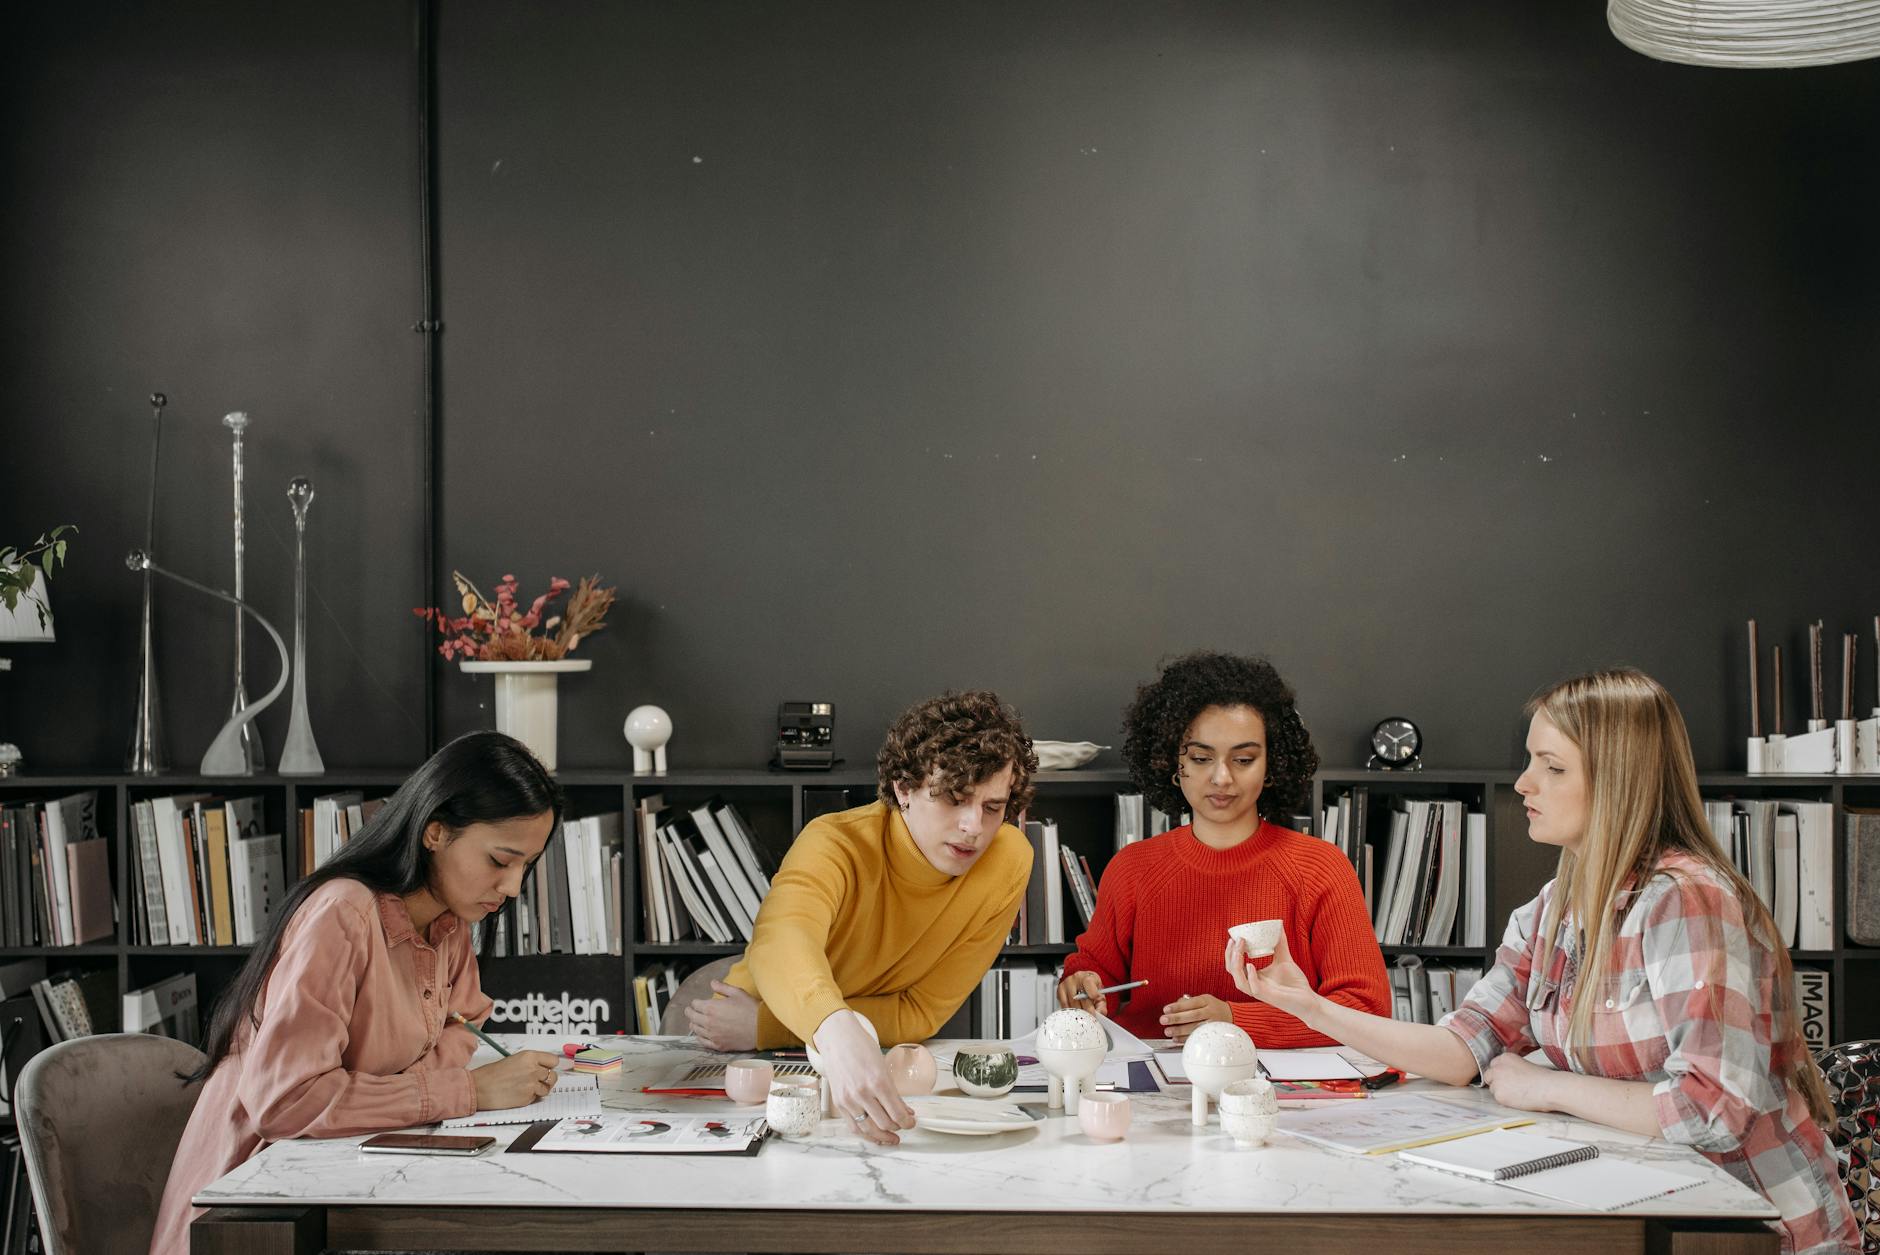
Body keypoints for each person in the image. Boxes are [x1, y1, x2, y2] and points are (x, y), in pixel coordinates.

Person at [1227, 668, 1858, 1255]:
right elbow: (1460, 1050)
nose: (1524, 783)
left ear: (1617, 780)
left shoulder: (1686, 902)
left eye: (1551, 767)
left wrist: (1548, 1086)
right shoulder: (1555, 908)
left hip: (1754, 1230)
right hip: (1640, 1198)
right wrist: (1302, 1002)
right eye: (1531, 761)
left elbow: (1711, 1112)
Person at [149, 732, 566, 1255]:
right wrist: (468, 1091)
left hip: (347, 1176)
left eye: (525, 866)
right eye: (500, 861)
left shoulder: (449, 922)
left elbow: (464, 1023)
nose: (511, 888)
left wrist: (400, 1090)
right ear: (435, 832)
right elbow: (286, 1101)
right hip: (254, 1210)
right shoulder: (343, 914)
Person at [686, 690, 1035, 1146]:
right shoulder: (835, 843)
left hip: (776, 1030)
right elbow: (781, 939)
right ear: (903, 789)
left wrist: (766, 1023)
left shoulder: (1009, 861)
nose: (974, 827)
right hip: (750, 1050)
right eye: (954, 799)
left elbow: (921, 1012)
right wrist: (832, 1030)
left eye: (993, 807)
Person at [1057, 651, 1390, 1045]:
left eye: (1244, 759)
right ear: (1170, 762)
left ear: (1272, 765)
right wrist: (1081, 984)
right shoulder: (1133, 869)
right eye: (1200, 758)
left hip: (1278, 1092)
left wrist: (1234, 1020)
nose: (1221, 777)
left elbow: (1366, 1009)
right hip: (1154, 1087)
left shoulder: (1320, 868)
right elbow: (1096, 974)